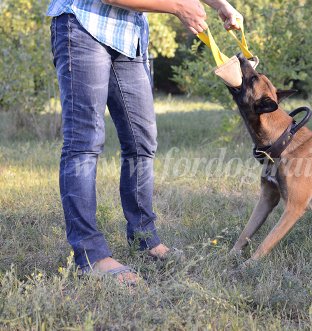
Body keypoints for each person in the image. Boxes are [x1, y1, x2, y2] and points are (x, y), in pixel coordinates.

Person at [47, 0, 243, 284]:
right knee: (84, 143)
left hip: (128, 35)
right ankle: (91, 256)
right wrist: (178, 7)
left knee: (142, 141)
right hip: (84, 25)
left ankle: (144, 239)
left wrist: (220, 5)